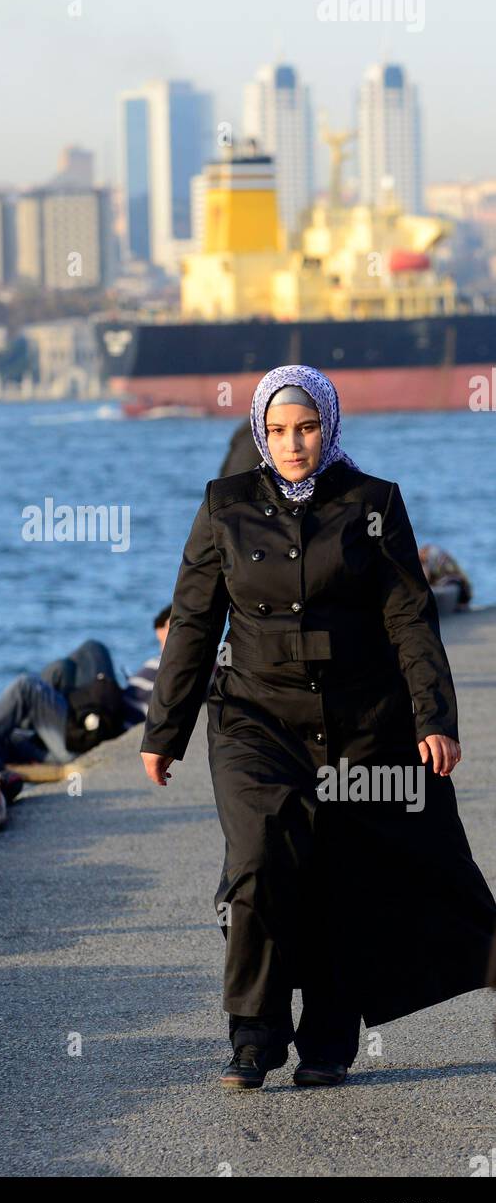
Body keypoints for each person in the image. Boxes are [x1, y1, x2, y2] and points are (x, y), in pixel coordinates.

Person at [140, 364, 496, 1091]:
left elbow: (408, 617)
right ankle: (252, 1034)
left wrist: (433, 717)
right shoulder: (223, 507)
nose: (292, 443)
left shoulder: (373, 503)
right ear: (259, 434)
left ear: (327, 426)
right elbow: (194, 624)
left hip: (358, 722)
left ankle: (328, 1041)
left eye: (304, 427)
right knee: (259, 856)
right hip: (252, 719)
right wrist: (161, 730)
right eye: (276, 430)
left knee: (340, 870)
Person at [0, 638, 127, 769]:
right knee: (62, 667)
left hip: (74, 745)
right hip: (61, 737)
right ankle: (13, 731)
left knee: (27, 685)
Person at [418, 544, 473, 613]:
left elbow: (425, 580)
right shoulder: (432, 552)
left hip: (455, 586)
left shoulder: (428, 557)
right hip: (462, 587)